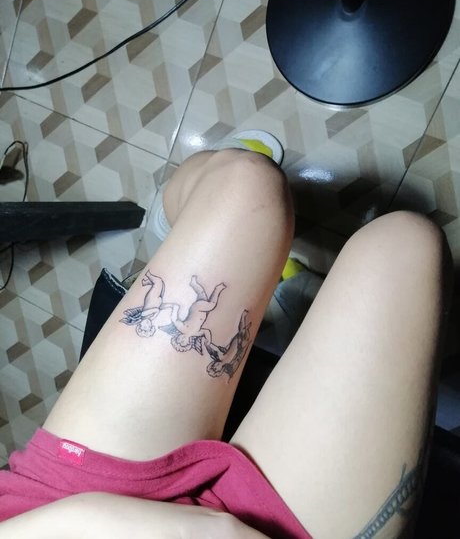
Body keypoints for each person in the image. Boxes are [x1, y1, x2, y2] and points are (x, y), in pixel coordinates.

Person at [0, 137, 453, 539]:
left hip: (51, 515)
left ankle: (183, 220)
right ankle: (289, 289)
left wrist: (85, 520)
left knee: (246, 183)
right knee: (406, 248)